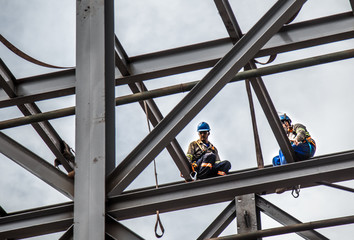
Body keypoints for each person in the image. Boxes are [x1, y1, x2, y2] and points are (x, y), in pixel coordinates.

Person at [272, 114, 316, 194]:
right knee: (275, 159)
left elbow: (301, 132)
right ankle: (282, 178)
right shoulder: (287, 136)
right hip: (297, 152)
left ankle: (286, 178)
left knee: (283, 150)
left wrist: (297, 139)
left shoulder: (296, 127)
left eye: (281, 124)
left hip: (307, 147)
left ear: (286, 123)